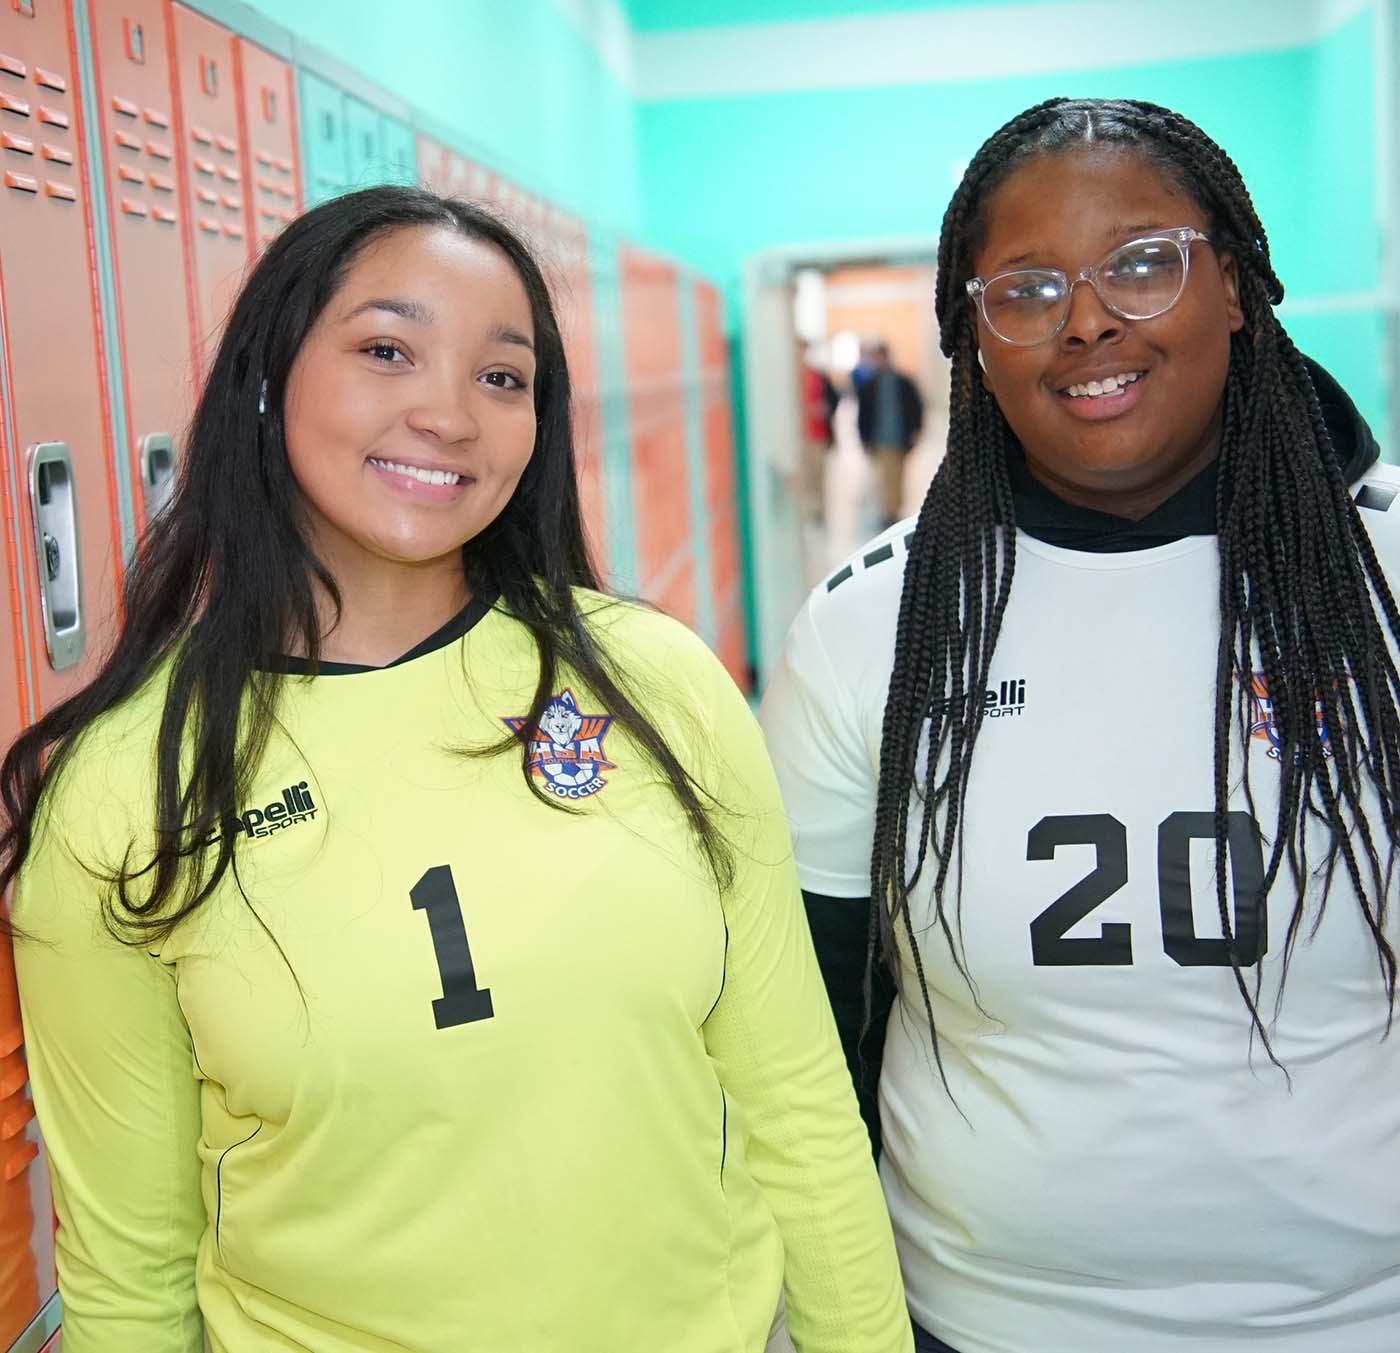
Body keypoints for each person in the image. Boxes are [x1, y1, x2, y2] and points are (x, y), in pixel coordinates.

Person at [0, 187, 911, 1353]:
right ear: (268, 379)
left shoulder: (655, 686)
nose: (448, 414)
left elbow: (797, 1104)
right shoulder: (132, 786)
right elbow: (128, 1271)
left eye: (501, 376)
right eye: (387, 350)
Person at [760, 97, 1400, 1353]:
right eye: (1026, 288)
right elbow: (810, 1046)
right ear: (972, 340)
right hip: (978, 1323)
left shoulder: (1377, 579)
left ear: (1234, 285)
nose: (1087, 319)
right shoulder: (867, 630)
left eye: (1143, 263)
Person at [855, 343, 924, 527]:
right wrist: (863, 437)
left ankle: (894, 509)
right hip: (880, 439)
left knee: (897, 476)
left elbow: (916, 407)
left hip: (900, 437)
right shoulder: (870, 385)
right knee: (884, 476)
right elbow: (863, 413)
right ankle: (888, 512)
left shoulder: (903, 382)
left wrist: (916, 430)